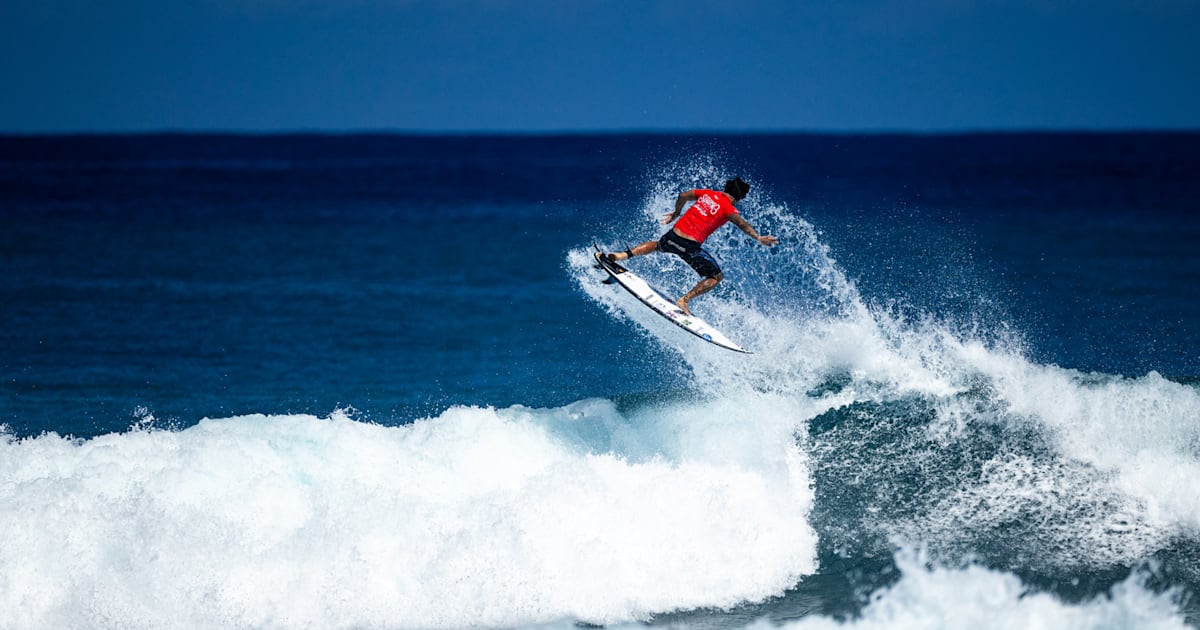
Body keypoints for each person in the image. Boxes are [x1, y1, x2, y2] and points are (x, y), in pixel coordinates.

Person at [600, 177, 779, 316]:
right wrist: (758, 237)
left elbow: (683, 195)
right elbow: (741, 224)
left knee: (658, 245)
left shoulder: (708, 194)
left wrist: (677, 213)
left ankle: (621, 255)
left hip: (674, 234)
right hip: (690, 245)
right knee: (716, 276)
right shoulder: (728, 208)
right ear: (739, 198)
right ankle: (684, 301)